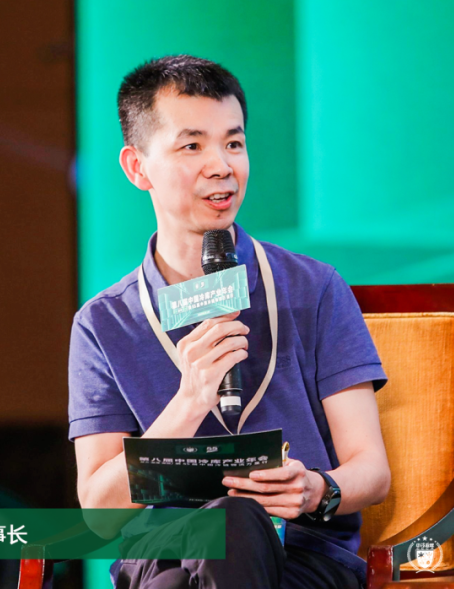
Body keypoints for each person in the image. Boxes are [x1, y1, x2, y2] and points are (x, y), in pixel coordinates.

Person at [68, 54, 390, 589]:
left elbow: (371, 469)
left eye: (234, 144)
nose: (221, 166)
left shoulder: (312, 289)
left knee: (230, 525)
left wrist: (314, 489)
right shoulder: (104, 324)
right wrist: (189, 400)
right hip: (165, 553)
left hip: (299, 556)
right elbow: (101, 513)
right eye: (192, 146)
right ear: (137, 167)